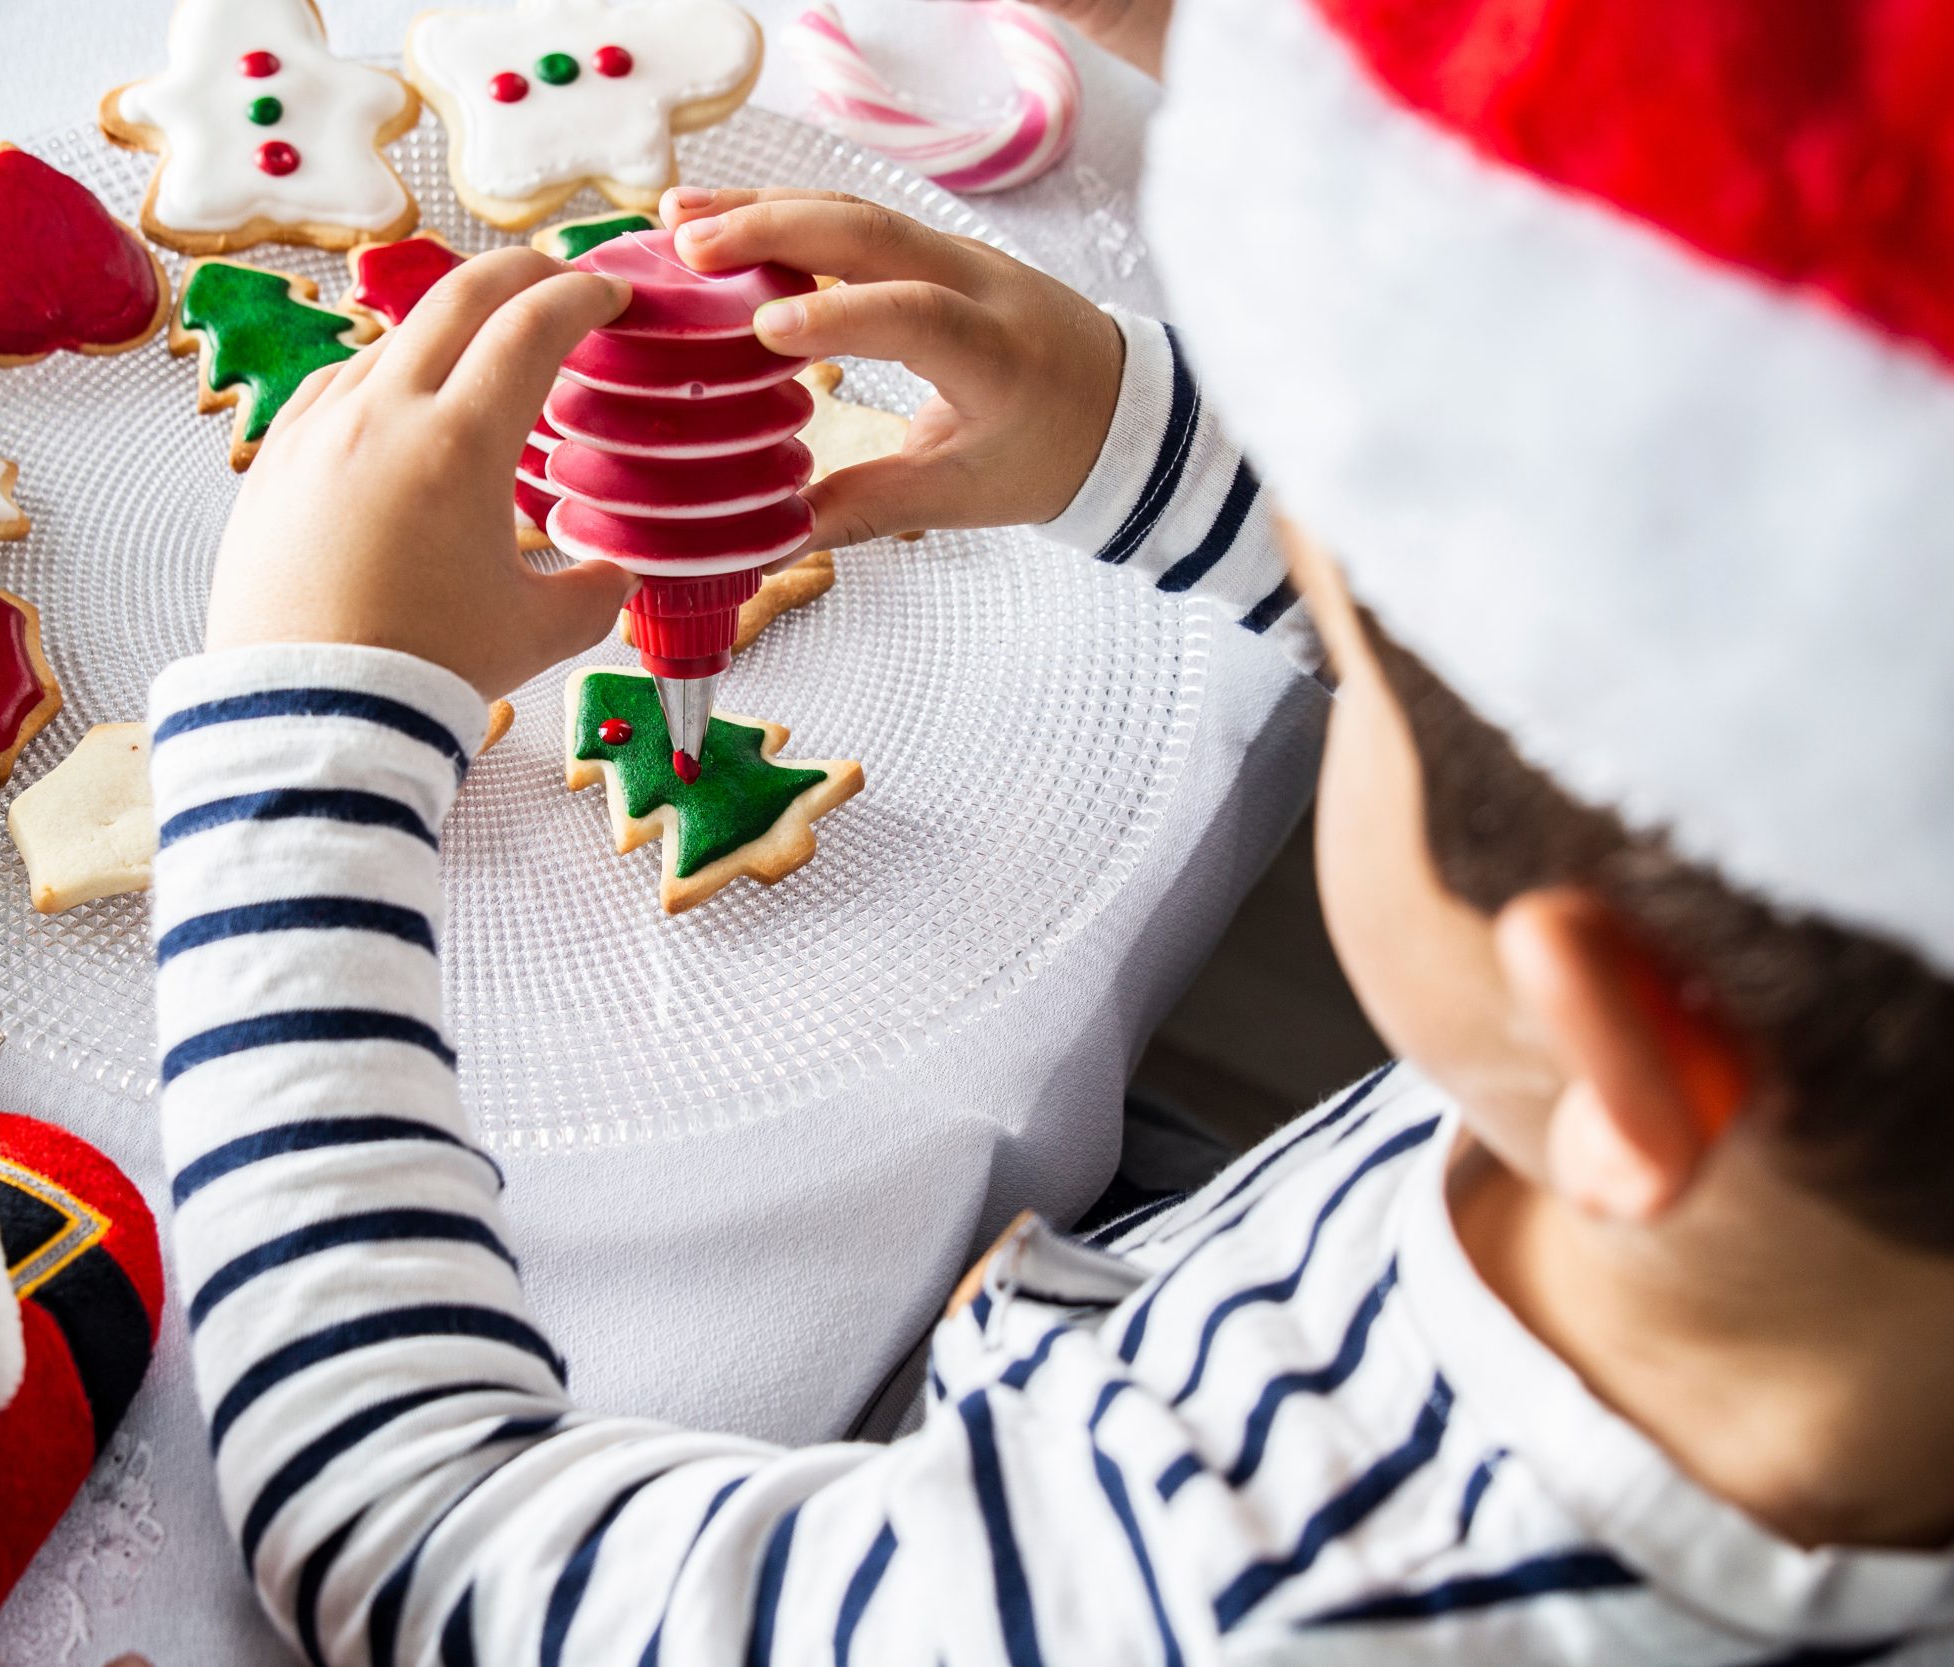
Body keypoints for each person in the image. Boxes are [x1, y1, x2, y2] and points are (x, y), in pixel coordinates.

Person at [145, 0, 1954, 1658]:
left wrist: (311, 732)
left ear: (1623, 1036)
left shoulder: (1202, 1609)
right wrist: (1115, 423)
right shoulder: (1812, 1091)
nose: (1347, 627)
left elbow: (408, 1539)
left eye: (1372, 648)